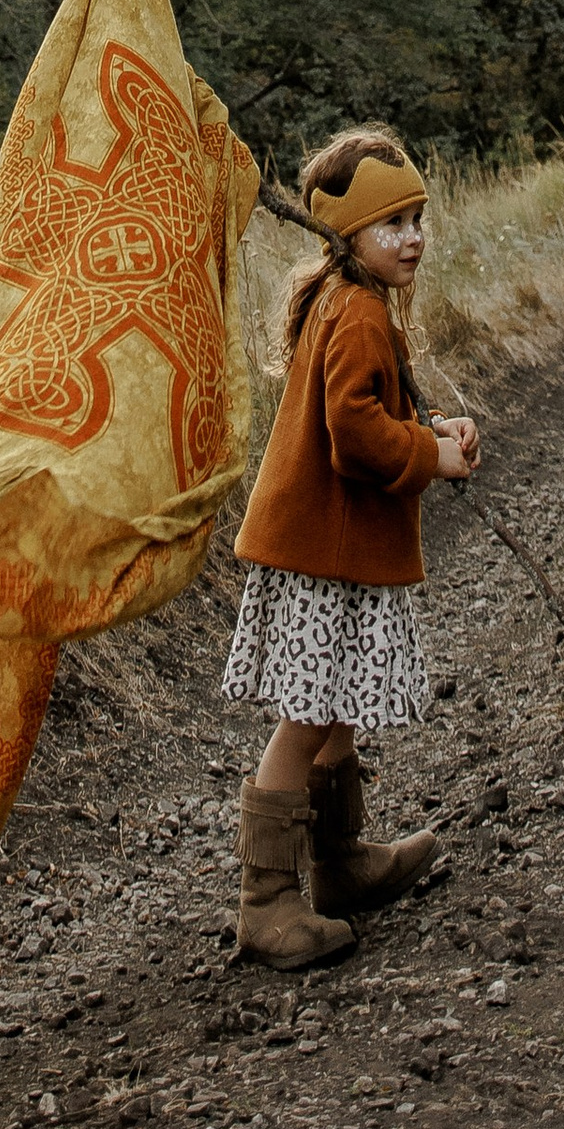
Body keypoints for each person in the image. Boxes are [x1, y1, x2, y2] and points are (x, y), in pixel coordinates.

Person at [221, 125, 481, 968]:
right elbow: (353, 435)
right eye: (391, 225)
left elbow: (371, 412)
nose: (411, 239)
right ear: (348, 236)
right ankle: (265, 903)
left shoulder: (342, 296)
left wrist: (433, 430)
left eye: (416, 219)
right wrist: (429, 455)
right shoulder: (361, 311)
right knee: (309, 717)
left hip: (318, 549)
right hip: (321, 558)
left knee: (330, 709)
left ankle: (338, 866)